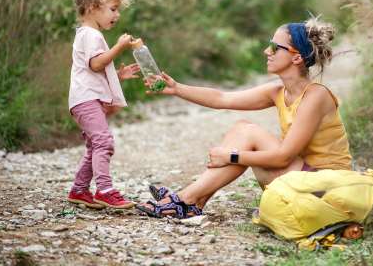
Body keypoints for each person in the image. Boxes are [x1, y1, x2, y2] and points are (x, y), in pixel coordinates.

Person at [135, 15, 353, 219]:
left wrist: (232, 156)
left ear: (297, 57)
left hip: (327, 192)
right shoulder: (278, 92)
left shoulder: (315, 95)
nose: (267, 51)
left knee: (250, 134)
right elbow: (222, 99)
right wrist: (176, 88)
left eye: (276, 47)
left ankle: (183, 200)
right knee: (240, 125)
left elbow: (285, 157)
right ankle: (194, 204)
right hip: (304, 180)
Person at [67, 0, 141, 210]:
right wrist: (119, 48)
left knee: (95, 145)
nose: (117, 15)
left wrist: (117, 75)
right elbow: (96, 64)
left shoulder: (89, 34)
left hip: (85, 98)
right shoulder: (90, 34)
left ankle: (79, 190)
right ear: (92, 8)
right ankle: (105, 190)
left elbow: (94, 70)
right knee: (104, 142)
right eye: (113, 9)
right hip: (86, 100)